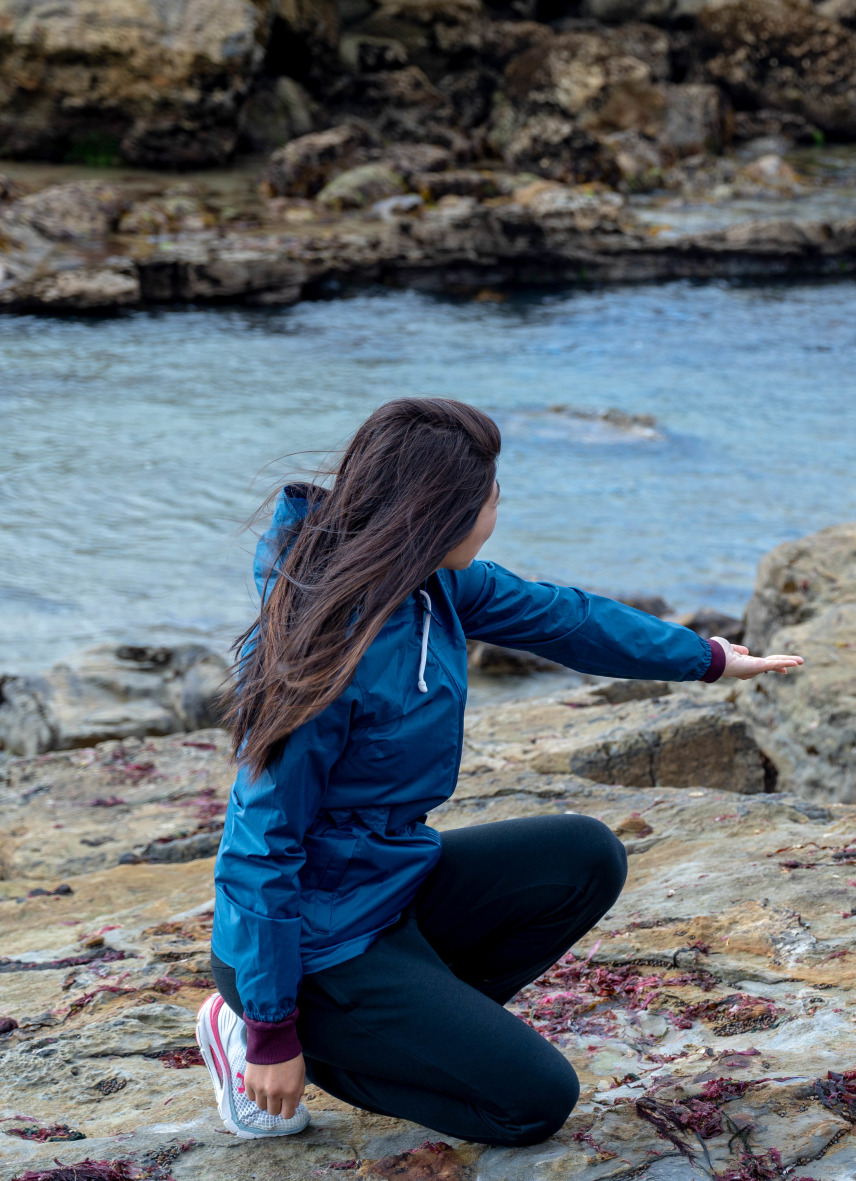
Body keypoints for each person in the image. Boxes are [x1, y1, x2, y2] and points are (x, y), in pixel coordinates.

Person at [194, 397, 801, 1144]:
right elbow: (260, 848)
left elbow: (563, 617)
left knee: (583, 856)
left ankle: (413, 1028)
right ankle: (289, 1042)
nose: (497, 508)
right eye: (490, 495)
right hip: (317, 948)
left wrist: (706, 659)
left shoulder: (430, 584)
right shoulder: (323, 653)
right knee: (534, 1101)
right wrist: (272, 1032)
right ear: (437, 512)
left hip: (387, 889)